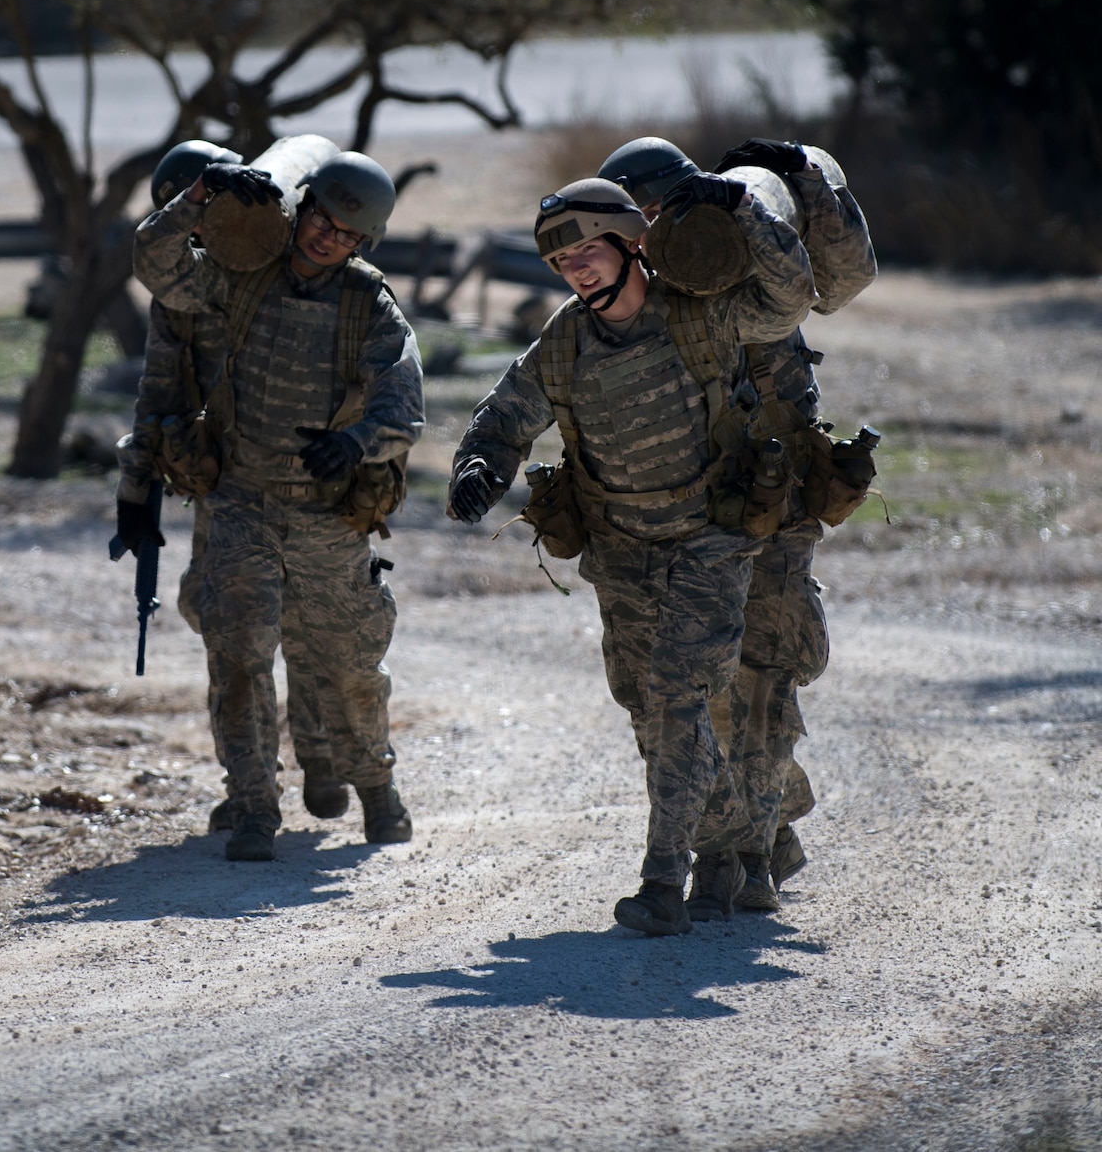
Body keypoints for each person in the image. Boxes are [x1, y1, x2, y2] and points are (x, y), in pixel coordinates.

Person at [447, 175, 813, 934]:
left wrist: (742, 208)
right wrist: (479, 466)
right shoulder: (566, 340)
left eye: (588, 249)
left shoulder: (701, 312)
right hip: (622, 550)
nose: (577, 268)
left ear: (630, 242)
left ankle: (662, 881)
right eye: (563, 258)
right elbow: (506, 416)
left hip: (712, 540)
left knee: (681, 691)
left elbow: (792, 295)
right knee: (649, 711)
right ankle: (730, 850)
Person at [598, 136, 877, 909]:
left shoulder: (746, 254)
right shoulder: (629, 290)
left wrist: (779, 184)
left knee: (764, 672)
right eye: (639, 217)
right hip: (679, 506)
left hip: (773, 493)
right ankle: (757, 829)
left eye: (661, 209)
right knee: (679, 689)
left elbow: (839, 279)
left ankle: (745, 855)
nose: (654, 230)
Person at [131, 151, 422, 861]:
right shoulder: (243, 274)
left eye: (346, 233)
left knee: (352, 663)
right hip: (242, 503)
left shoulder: (370, 304)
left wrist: (357, 443)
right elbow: (158, 267)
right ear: (304, 207)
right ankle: (255, 802)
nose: (327, 237)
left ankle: (376, 787)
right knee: (239, 656)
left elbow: (404, 404)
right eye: (322, 218)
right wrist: (198, 199)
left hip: (326, 514)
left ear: (362, 242)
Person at [116, 142, 354, 831]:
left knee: (313, 630)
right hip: (228, 486)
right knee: (231, 633)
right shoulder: (182, 292)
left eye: (217, 203)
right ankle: (251, 784)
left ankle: (322, 754)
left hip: (311, 478)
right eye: (196, 207)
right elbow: (158, 392)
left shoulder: (284, 268)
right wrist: (135, 493)